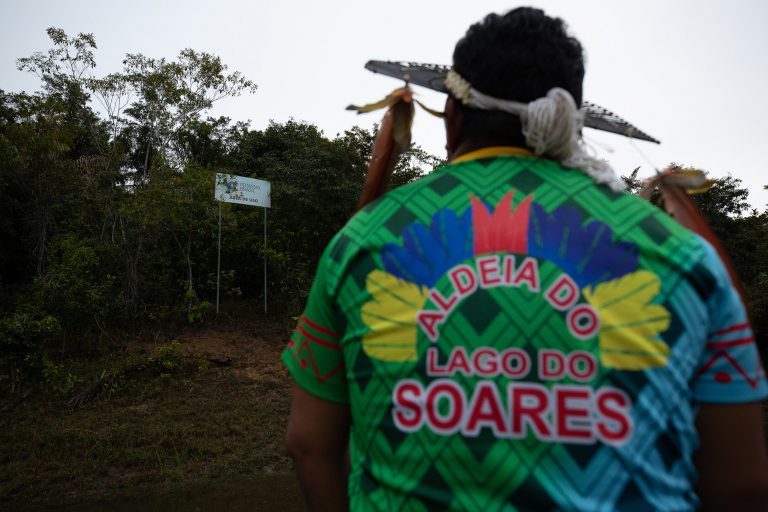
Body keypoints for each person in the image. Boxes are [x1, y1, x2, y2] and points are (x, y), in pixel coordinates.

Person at [282, 7, 768, 511]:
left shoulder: (360, 241)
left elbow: (310, 443)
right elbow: (740, 487)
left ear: (454, 114)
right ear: (568, 124)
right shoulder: (685, 257)